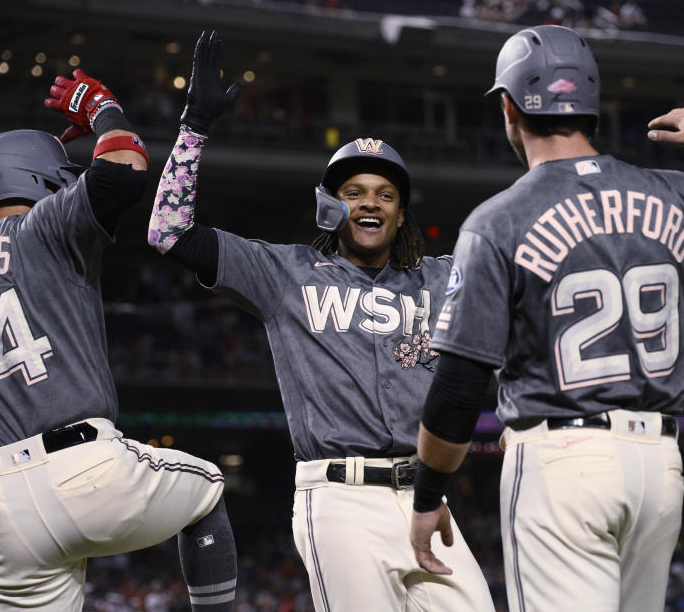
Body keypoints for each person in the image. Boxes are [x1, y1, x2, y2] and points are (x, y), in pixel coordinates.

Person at [408, 24, 684, 612]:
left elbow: (460, 391)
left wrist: (427, 494)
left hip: (562, 465)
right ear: (589, 105)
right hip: (658, 468)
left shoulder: (498, 221)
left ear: (509, 107)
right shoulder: (678, 195)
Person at [147, 30, 494, 612]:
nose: (370, 203)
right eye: (354, 191)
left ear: (401, 212)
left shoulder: (441, 278)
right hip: (339, 501)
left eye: (385, 194)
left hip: (426, 497)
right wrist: (194, 129)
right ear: (330, 205)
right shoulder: (286, 272)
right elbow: (168, 232)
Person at [0, 72, 237, 611]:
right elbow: (122, 169)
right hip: (84, 468)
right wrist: (102, 107)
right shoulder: (45, 227)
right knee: (209, 489)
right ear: (38, 181)